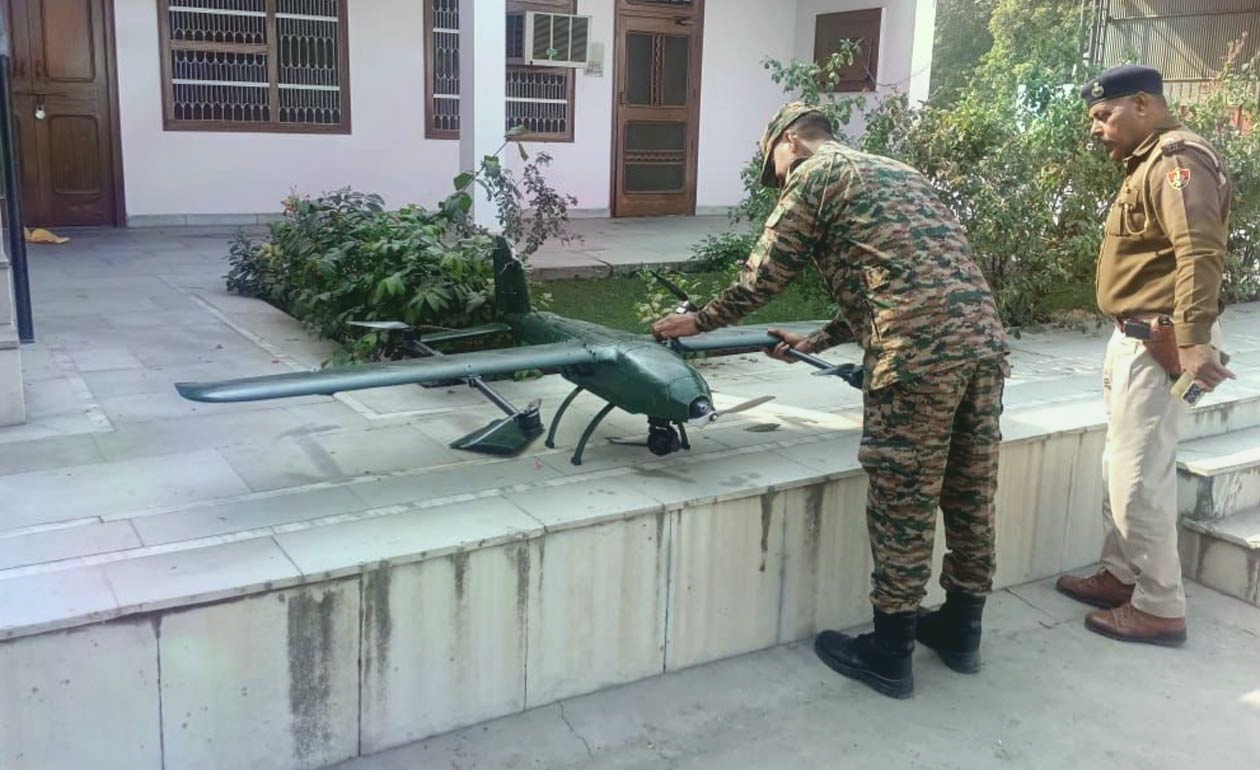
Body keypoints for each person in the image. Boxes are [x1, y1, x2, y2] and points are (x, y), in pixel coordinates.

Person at [652, 103, 1009, 699]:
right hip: (983, 346)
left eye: (774, 166)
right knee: (970, 490)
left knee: (905, 500)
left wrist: (699, 321)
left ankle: (890, 652)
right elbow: (898, 277)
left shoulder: (813, 176)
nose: (778, 179)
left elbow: (764, 276)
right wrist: (816, 340)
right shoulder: (898, 172)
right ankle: (962, 629)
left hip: (916, 360)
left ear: (789, 141)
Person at [1056, 65, 1235, 646]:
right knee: (1119, 469)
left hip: (1157, 342)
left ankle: (1159, 605)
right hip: (1130, 335)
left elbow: (1199, 251)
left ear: (1141, 104)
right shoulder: (1150, 161)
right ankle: (1122, 575)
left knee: (1138, 480)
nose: (1096, 129)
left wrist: (1191, 340)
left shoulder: (1177, 161)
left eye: (1103, 116)